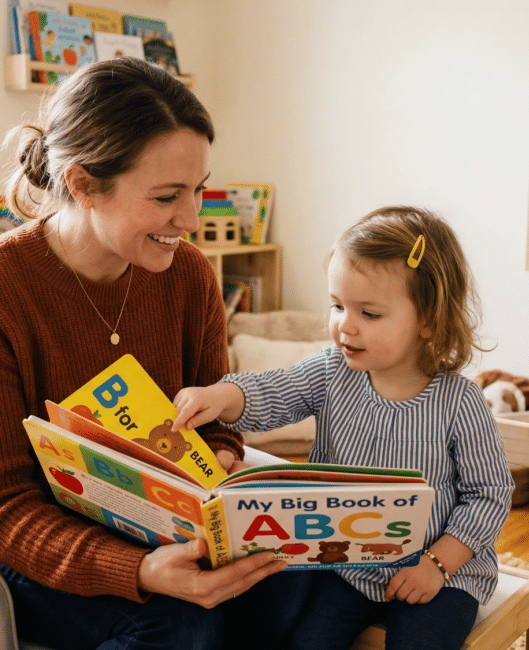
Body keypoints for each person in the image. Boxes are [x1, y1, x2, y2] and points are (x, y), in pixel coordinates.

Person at [0, 57, 361, 650]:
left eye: (199, 189)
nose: (191, 219)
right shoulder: (10, 290)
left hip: (163, 523)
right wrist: (137, 571)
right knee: (182, 625)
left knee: (293, 580)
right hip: (43, 546)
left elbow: (216, 417)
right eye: (168, 196)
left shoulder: (188, 275)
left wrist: (219, 460)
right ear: (83, 184)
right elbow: (8, 507)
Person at [172, 205, 516, 650]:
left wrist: (437, 563)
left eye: (369, 314)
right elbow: (274, 392)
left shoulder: (460, 402)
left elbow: (488, 495)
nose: (343, 326)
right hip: (348, 564)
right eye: (337, 305)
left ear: (428, 319)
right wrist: (221, 396)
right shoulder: (332, 370)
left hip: (442, 571)